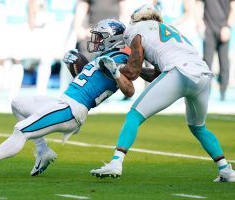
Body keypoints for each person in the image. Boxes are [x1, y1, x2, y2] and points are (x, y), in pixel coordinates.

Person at [0, 19, 134, 177]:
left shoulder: (120, 58)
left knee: (22, 129)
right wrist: (76, 65)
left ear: (113, 39)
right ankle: (43, 150)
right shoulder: (105, 57)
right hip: (64, 102)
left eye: (100, 37)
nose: (96, 40)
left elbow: (129, 89)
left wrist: (116, 71)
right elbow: (88, 82)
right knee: (18, 103)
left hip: (72, 109)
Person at [90, 4, 235, 182]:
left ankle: (116, 163)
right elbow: (155, 76)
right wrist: (130, 69)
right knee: (199, 127)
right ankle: (226, 170)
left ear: (136, 19)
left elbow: (133, 73)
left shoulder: (135, 30)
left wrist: (117, 69)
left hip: (178, 73)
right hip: (203, 75)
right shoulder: (168, 30)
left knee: (134, 116)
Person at [197, 0, 235, 101]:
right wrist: (200, 23)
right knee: (207, 63)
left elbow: (233, 7)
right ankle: (205, 93)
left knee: (224, 62)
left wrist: (228, 27)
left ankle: (223, 93)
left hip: (224, 28)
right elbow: (199, 4)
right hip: (208, 28)